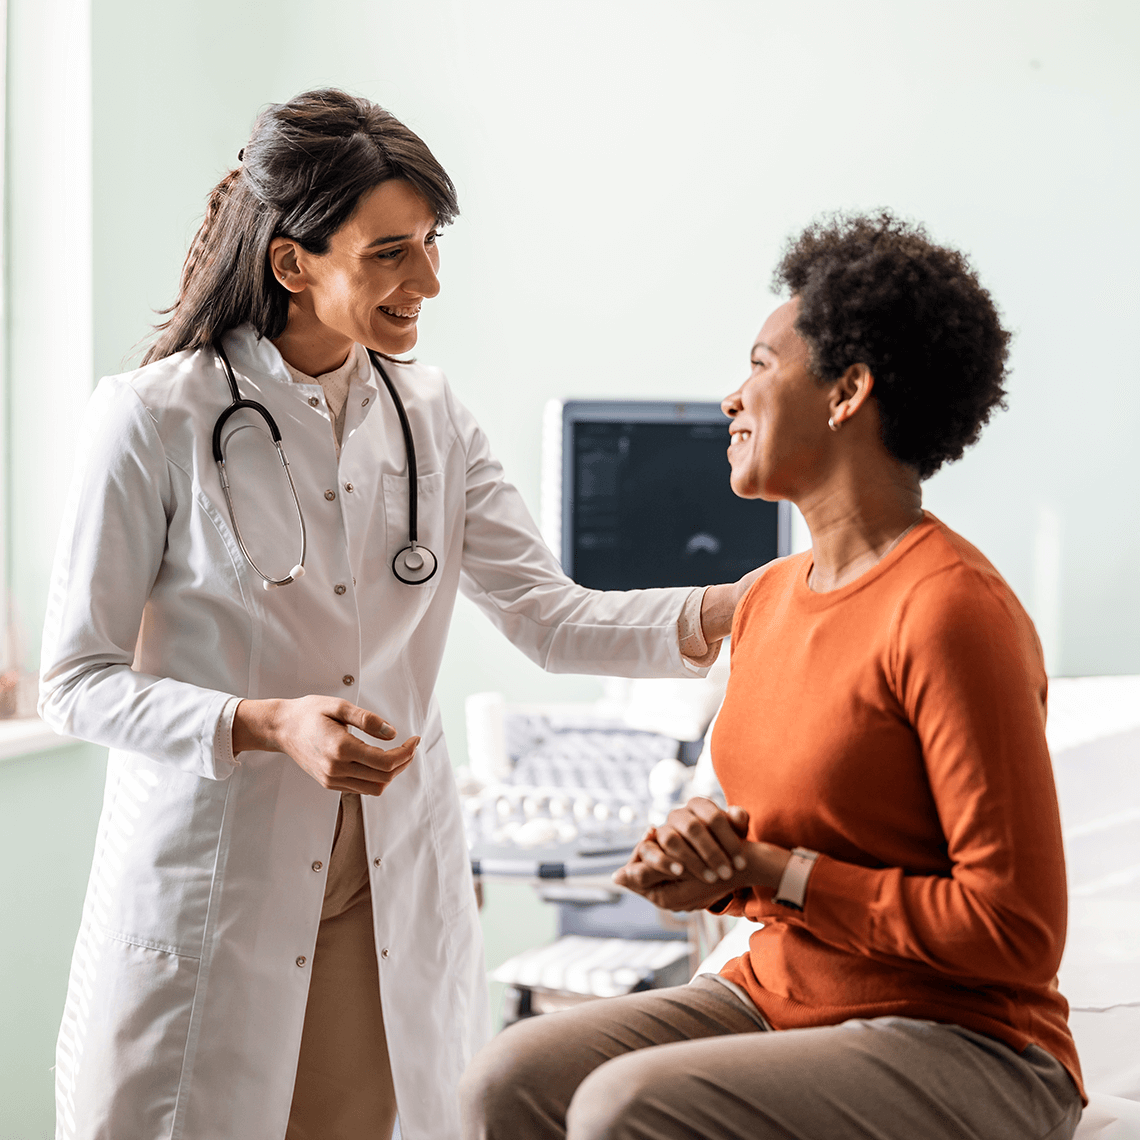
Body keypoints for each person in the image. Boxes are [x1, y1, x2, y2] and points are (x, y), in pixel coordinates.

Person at [38, 88, 752, 1140]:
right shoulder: (152, 419)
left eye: (429, 244)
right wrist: (264, 723)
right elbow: (74, 682)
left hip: (382, 886)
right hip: (220, 884)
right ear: (294, 262)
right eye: (389, 253)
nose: (427, 281)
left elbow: (548, 618)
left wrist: (745, 608)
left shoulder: (431, 417)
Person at [460, 212, 1086, 1140]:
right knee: (508, 1077)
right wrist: (710, 866)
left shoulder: (954, 612)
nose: (730, 398)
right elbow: (796, 837)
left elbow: (1017, 933)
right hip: (783, 993)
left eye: (760, 364)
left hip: (969, 1040)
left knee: (620, 1108)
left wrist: (776, 874)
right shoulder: (768, 600)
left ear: (848, 393)